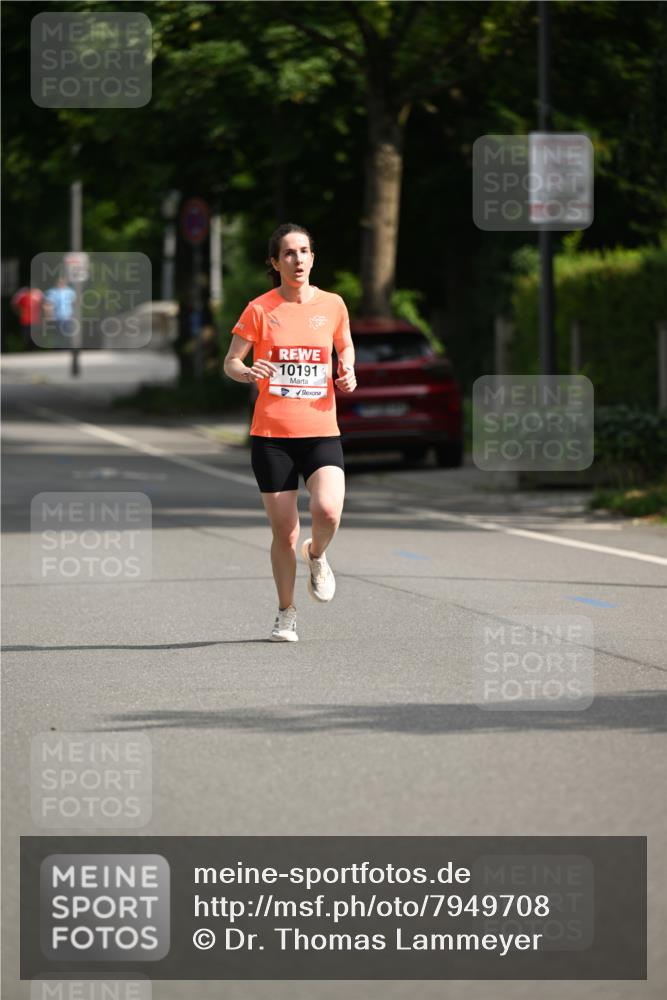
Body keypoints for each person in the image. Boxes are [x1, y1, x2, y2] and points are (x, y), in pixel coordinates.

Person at [223, 223, 357, 642]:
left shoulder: (333, 304)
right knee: (284, 532)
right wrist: (246, 371)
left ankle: (317, 555)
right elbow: (230, 361)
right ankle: (286, 613)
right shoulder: (260, 309)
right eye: (288, 253)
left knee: (328, 511)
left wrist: (347, 367)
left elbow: (345, 345)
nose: (297, 260)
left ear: (313, 257)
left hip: (320, 431)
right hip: (272, 436)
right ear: (275, 262)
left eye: (304, 251)